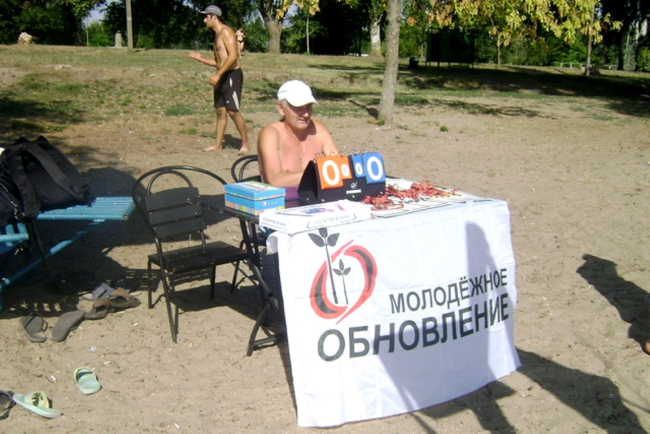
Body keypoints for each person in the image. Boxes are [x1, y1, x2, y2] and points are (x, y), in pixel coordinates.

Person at [257, 80, 340, 198]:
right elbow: (275, 181)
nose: (305, 114)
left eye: (309, 107)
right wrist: (320, 172)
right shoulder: (271, 134)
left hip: (317, 200)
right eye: (298, 108)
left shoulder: (318, 129)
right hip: (281, 203)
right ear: (281, 108)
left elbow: (340, 168)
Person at [187, 5, 250, 153]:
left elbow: (233, 56)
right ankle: (218, 145)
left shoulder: (226, 32)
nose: (204, 20)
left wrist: (217, 74)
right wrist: (200, 58)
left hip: (232, 74)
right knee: (220, 111)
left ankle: (245, 144)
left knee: (232, 111)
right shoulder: (216, 36)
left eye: (206, 17)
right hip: (222, 74)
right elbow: (219, 62)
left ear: (213, 17)